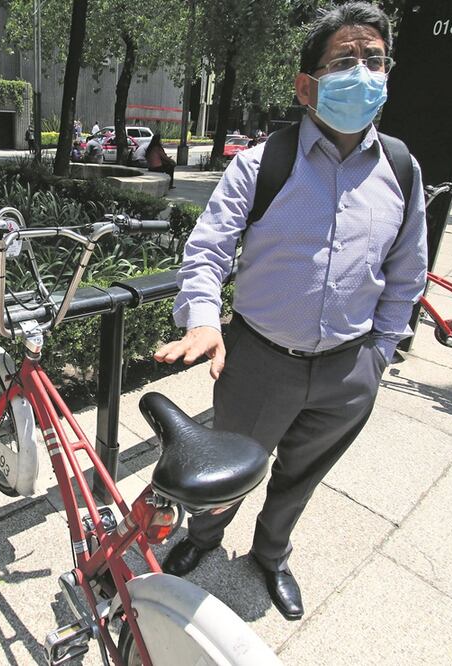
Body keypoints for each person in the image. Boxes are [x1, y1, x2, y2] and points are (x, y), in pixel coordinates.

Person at [153, 2, 426, 621]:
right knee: (226, 470)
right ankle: (202, 540)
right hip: (258, 363)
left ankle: (271, 556)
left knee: (302, 476)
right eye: (344, 60)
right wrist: (202, 319)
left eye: (374, 60)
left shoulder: (403, 170)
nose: (362, 72)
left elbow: (408, 274)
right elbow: (208, 249)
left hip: (349, 369)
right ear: (308, 85)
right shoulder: (262, 164)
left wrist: (379, 356)